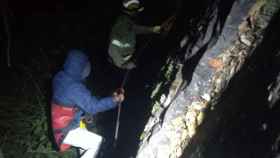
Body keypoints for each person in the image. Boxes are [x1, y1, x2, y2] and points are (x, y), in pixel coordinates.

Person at [51, 50, 124, 158]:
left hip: (62, 126)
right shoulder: (74, 87)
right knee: (96, 142)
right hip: (66, 130)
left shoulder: (60, 78)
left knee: (87, 145)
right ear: (81, 67)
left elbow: (75, 101)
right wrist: (114, 100)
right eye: (86, 65)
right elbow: (92, 106)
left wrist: (110, 97)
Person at [108, 0, 161, 69]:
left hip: (129, 56)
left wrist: (152, 29)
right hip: (118, 63)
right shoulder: (121, 24)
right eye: (135, 10)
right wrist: (124, 65)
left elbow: (135, 29)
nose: (137, 12)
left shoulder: (127, 20)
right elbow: (112, 48)